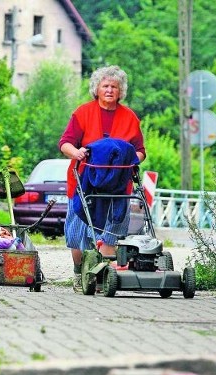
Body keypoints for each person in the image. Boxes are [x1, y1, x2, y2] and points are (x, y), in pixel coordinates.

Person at [58, 65, 146, 292]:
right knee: (78, 233)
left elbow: (140, 150)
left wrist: (132, 160)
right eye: (105, 86)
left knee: (111, 230)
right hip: (84, 183)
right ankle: (79, 272)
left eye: (114, 87)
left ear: (120, 91)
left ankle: (100, 276)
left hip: (117, 186)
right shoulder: (82, 113)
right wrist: (76, 153)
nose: (109, 90)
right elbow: (65, 143)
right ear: (96, 89)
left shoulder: (130, 118)